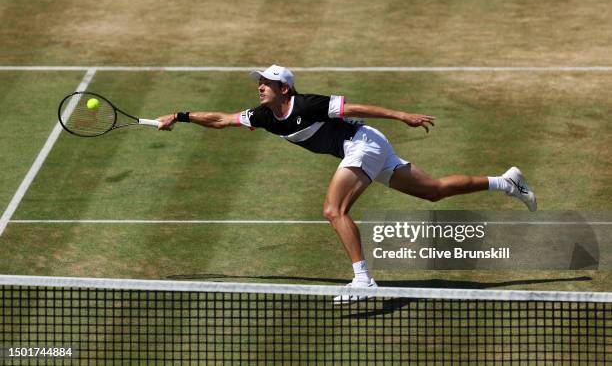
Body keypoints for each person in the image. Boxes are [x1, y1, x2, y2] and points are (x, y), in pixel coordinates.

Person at [156, 65, 536, 304]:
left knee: (332, 210)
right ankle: (505, 182)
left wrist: (402, 115)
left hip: (363, 144)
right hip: (363, 148)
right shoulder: (263, 115)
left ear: (284, 88)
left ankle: (363, 280)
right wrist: (180, 115)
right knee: (433, 190)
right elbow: (221, 120)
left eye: (266, 83)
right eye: (259, 82)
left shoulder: (307, 104)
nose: (259, 87)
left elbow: (356, 108)